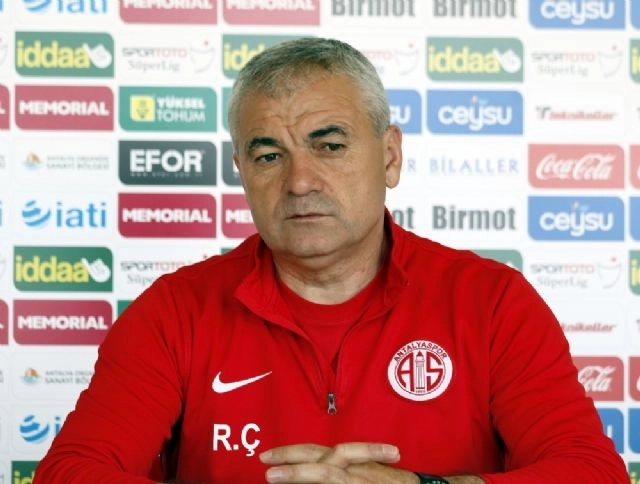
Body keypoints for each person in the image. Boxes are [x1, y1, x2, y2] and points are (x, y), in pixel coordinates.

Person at [34, 37, 627, 484]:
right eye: (269, 155)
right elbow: (71, 471)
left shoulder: (491, 300)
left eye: (330, 145)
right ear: (240, 170)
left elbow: (591, 471)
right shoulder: (175, 310)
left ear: (389, 156)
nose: (300, 181)